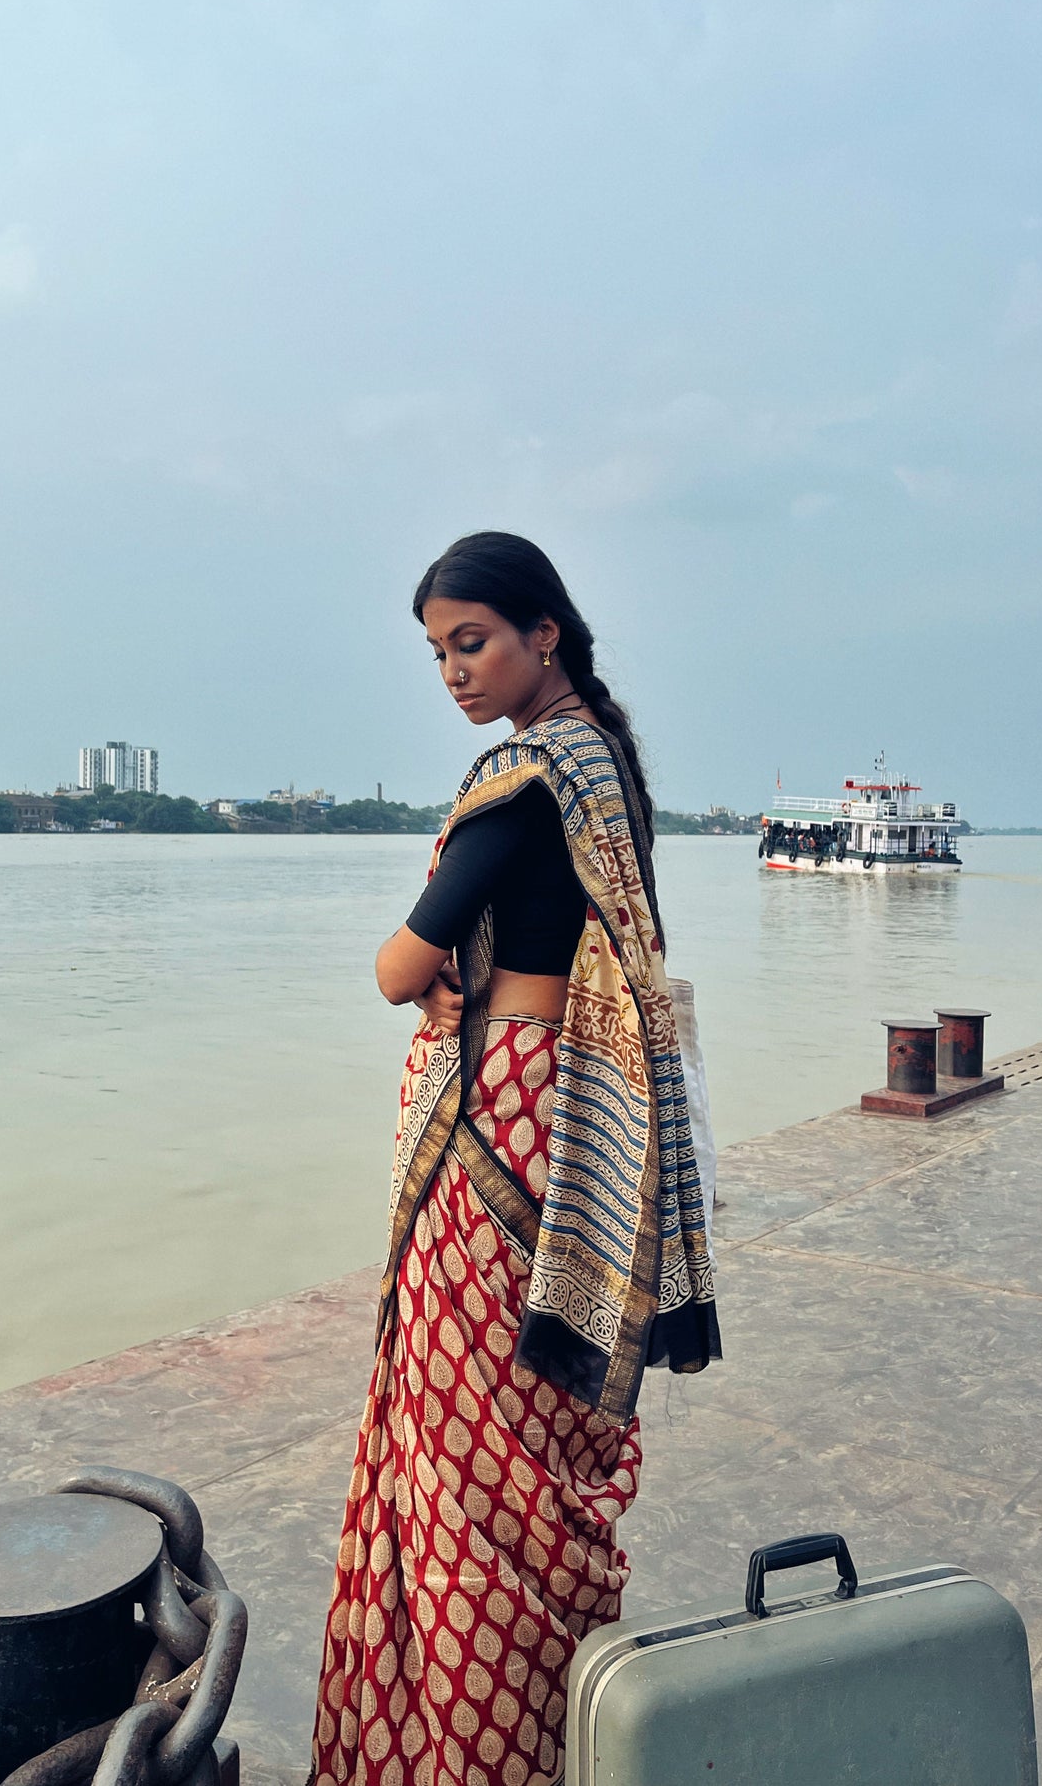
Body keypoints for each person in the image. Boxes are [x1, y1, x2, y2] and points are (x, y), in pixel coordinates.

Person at [309, 531, 720, 1786]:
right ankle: (541, 1738)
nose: (452, 670)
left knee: (465, 1464)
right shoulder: (609, 764)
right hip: (565, 1127)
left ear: (544, 631)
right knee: (526, 1448)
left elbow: (395, 967)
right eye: (436, 651)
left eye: (471, 640)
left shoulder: (530, 771)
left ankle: (469, 1755)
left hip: (503, 1118)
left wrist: (439, 976)